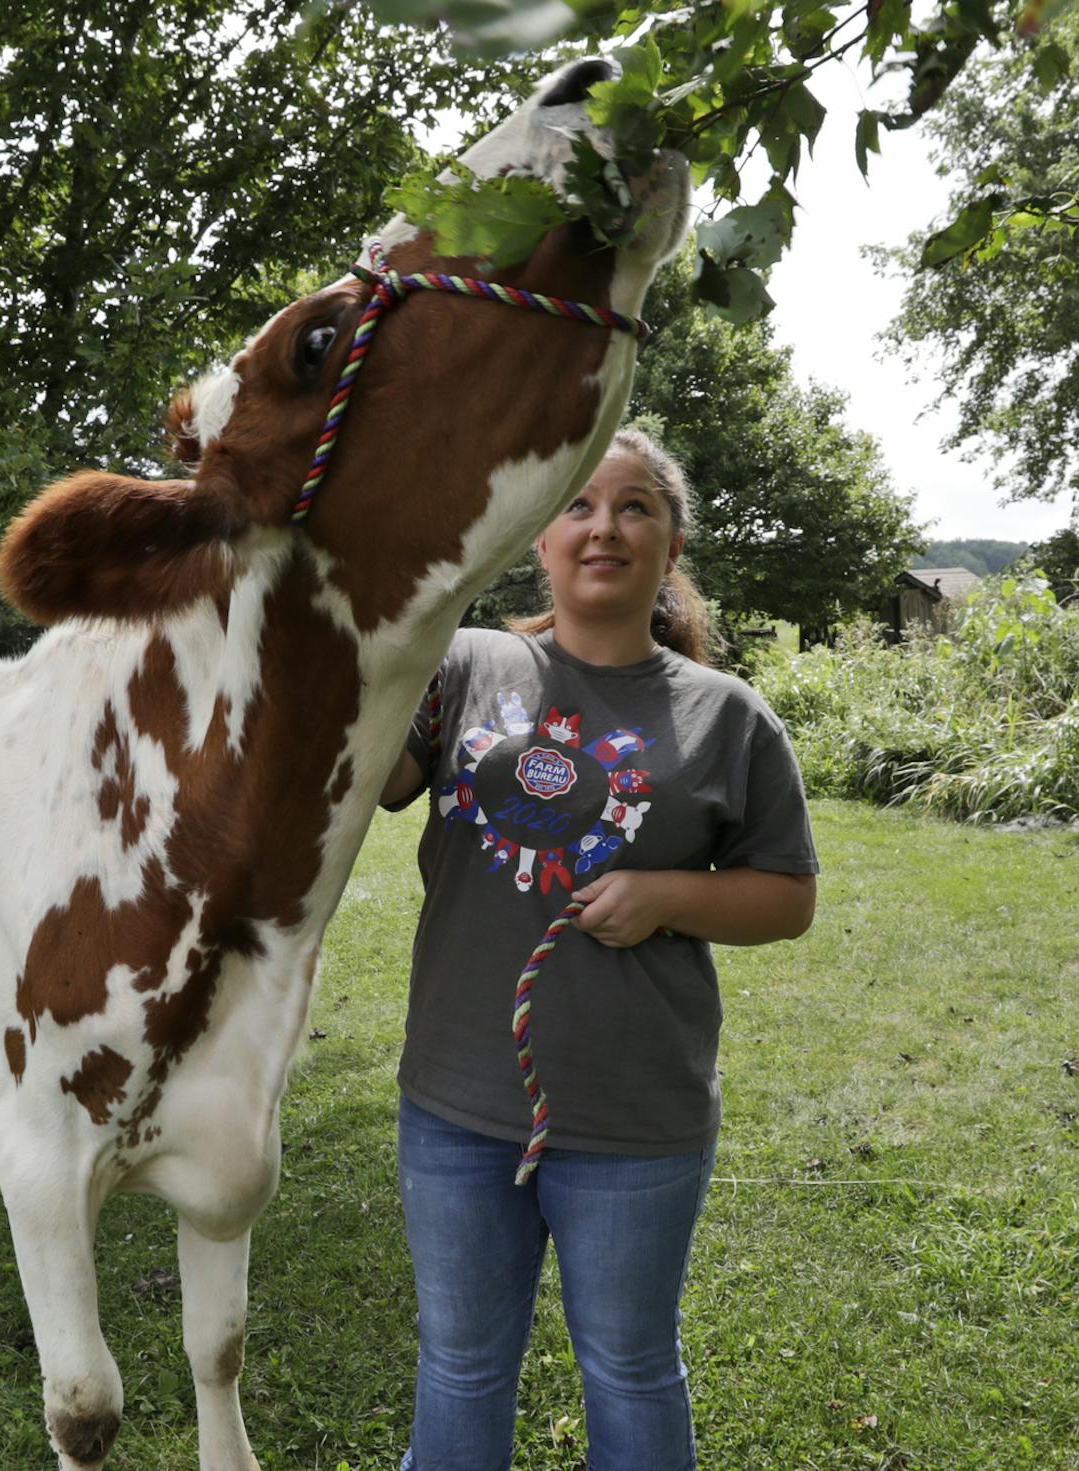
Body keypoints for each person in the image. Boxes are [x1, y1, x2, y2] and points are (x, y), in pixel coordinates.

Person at [377, 427, 819, 1471]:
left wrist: (669, 895)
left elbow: (789, 897)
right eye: (578, 505)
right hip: (456, 1103)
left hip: (635, 1115)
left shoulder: (727, 717)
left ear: (671, 546)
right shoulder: (470, 662)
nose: (604, 528)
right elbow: (376, 778)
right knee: (460, 1366)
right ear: (540, 535)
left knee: (628, 1365)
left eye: (635, 508)